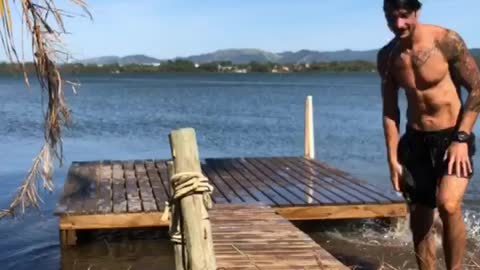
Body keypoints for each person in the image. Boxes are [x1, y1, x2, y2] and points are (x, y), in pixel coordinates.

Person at [377, 0, 480, 269]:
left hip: (452, 136)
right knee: (421, 214)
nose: (398, 24)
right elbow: (390, 111)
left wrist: (461, 138)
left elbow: (477, 88)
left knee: (447, 204)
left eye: (404, 16)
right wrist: (392, 160)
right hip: (415, 141)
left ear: (416, 12)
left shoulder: (446, 41)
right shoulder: (388, 57)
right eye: (391, 17)